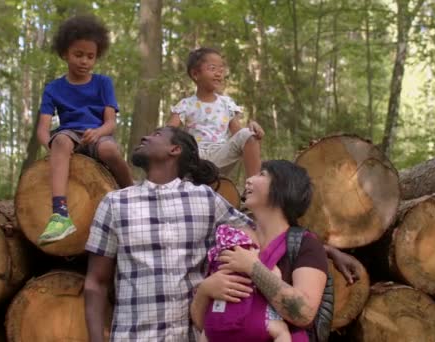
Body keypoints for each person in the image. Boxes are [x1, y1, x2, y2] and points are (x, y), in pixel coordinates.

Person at [84, 127, 360, 341]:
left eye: (156, 134)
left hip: (194, 336)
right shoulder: (115, 203)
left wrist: (329, 250)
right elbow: (96, 283)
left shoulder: (205, 199)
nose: (145, 136)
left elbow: (267, 230)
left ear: (175, 149)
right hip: (134, 337)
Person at [191, 160, 329, 341]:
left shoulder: (306, 245)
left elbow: (303, 314)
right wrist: (204, 290)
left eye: (261, 174)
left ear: (284, 187)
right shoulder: (230, 239)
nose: (248, 180)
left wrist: (253, 267)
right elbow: (205, 325)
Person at [35, 15, 133, 246]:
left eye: (90, 56)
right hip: (69, 134)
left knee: (109, 149)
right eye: (78, 55)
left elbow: (110, 123)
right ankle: (60, 214)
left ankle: (133, 192)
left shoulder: (103, 83)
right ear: (64, 54)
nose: (84, 61)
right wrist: (51, 147)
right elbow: (43, 128)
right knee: (59, 141)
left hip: (98, 134)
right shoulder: (53, 88)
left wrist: (98, 133)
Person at [167, 47, 264, 178]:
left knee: (248, 134)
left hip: (220, 155)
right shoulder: (185, 105)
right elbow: (167, 133)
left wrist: (253, 131)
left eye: (221, 70)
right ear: (195, 74)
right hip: (195, 157)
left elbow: (239, 136)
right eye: (212, 69)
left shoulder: (227, 104)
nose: (219, 74)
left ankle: (254, 187)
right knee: (170, 141)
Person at [201, 224, 291, 342]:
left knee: (205, 332)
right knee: (282, 331)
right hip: (249, 323)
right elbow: (276, 277)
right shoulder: (256, 260)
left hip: (214, 325)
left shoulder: (218, 263)